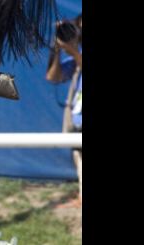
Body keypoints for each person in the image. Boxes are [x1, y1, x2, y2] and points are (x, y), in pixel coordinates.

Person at [45, 13, 82, 204]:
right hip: (78, 122)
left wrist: (73, 51)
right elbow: (53, 77)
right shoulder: (76, 60)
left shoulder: (78, 58)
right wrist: (57, 48)